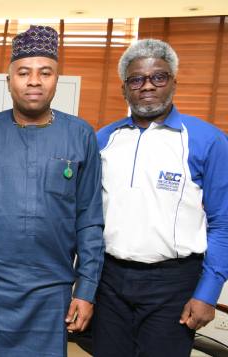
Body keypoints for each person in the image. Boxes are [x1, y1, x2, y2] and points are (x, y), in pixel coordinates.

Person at [0, 25, 104, 357]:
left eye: (45, 73)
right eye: (24, 72)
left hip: (51, 290)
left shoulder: (81, 135)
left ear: (56, 79)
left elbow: (89, 220)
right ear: (9, 80)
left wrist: (85, 289)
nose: (34, 81)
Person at [93, 39, 228, 357]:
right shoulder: (103, 139)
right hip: (109, 280)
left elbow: (223, 222)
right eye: (136, 79)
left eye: (159, 77)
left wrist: (208, 293)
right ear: (125, 88)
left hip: (174, 284)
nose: (147, 86)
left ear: (174, 82)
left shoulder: (208, 141)